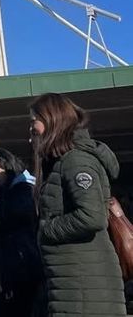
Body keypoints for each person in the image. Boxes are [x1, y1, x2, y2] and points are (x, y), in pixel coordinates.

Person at [31, 92, 125, 317]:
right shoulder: (61, 162)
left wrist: (46, 229)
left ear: (52, 119)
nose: (31, 128)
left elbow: (91, 216)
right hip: (73, 283)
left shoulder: (75, 160)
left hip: (85, 289)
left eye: (34, 120)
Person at [0, 149, 42, 317]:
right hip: (4, 271)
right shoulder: (3, 192)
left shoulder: (24, 189)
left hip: (20, 269)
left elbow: (6, 217)